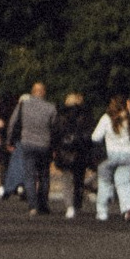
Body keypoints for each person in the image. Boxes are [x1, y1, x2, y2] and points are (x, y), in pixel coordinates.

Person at [4, 77, 55, 212]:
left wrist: (9, 140)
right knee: (44, 175)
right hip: (44, 144)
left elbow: (13, 122)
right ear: (43, 92)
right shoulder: (51, 107)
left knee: (30, 175)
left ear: (32, 92)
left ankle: (33, 205)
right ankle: (43, 203)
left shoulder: (23, 105)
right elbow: (55, 128)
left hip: (27, 143)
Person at [92, 92, 130, 224]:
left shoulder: (107, 118)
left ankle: (102, 212)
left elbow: (95, 137)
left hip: (109, 154)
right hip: (128, 154)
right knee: (124, 182)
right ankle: (128, 208)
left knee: (104, 183)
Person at [53, 91, 92, 222]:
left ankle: (69, 206)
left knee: (67, 180)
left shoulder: (61, 114)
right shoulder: (85, 115)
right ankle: (77, 204)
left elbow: (56, 131)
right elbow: (88, 133)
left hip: (65, 150)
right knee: (79, 180)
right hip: (80, 150)